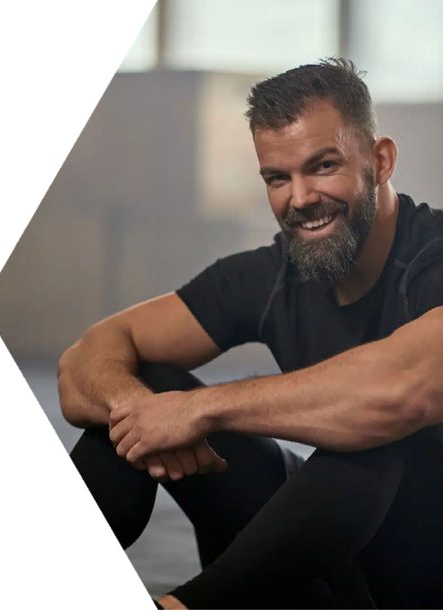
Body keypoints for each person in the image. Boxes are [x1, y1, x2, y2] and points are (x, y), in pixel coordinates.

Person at [57, 58, 443, 609]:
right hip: (302, 568)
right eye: (278, 178)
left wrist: (205, 409)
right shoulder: (272, 274)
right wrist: (139, 408)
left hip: (414, 579)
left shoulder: (433, 258)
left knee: (376, 435)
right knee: (140, 386)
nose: (301, 197)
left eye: (323, 165)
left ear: (379, 161)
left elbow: (400, 392)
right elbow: (82, 363)